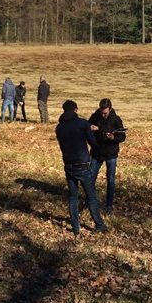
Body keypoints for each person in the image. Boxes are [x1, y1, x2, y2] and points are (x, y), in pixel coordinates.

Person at [55, 100, 108, 236]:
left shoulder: (59, 128)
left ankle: (76, 227)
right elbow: (93, 143)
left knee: (73, 197)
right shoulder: (82, 124)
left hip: (68, 164)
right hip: (83, 164)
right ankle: (99, 225)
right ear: (76, 110)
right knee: (91, 196)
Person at [89, 98, 126, 215]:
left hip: (111, 153)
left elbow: (122, 136)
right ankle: (89, 202)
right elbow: (86, 129)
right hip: (97, 152)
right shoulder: (95, 117)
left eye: (105, 113)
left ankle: (109, 206)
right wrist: (90, 128)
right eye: (101, 112)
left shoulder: (116, 119)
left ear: (110, 109)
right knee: (90, 179)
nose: (103, 115)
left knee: (110, 180)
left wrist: (113, 138)